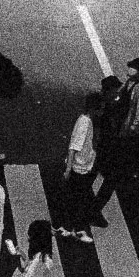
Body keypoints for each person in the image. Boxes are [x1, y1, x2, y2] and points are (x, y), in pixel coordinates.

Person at [56, 91, 101, 241]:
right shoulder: (85, 123)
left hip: (83, 167)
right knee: (78, 199)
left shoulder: (85, 120)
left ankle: (71, 228)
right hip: (79, 168)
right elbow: (73, 147)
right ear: (95, 108)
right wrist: (68, 169)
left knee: (77, 199)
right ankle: (74, 229)